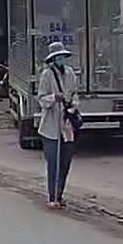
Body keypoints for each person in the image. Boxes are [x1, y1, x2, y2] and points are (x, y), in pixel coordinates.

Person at [37, 41, 79, 210]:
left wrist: (72, 107)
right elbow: (41, 98)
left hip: (66, 125)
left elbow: (75, 94)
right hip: (51, 126)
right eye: (58, 57)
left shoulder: (70, 73)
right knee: (53, 163)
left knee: (65, 163)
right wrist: (53, 98)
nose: (61, 60)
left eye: (63, 57)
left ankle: (59, 195)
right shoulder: (46, 75)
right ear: (53, 59)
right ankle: (52, 196)